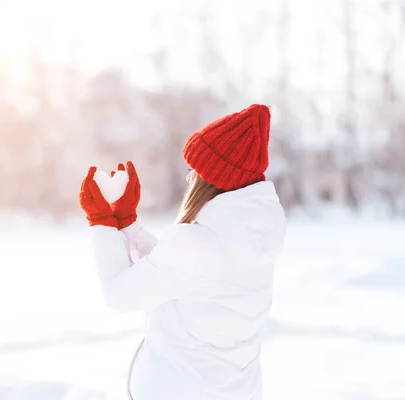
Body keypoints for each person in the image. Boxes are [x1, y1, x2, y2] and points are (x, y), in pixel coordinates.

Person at [78, 104, 287, 400]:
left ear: (211, 179)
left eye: (194, 170)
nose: (190, 178)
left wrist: (101, 223)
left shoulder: (198, 245)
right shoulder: (248, 239)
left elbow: (120, 294)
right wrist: (128, 226)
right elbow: (176, 277)